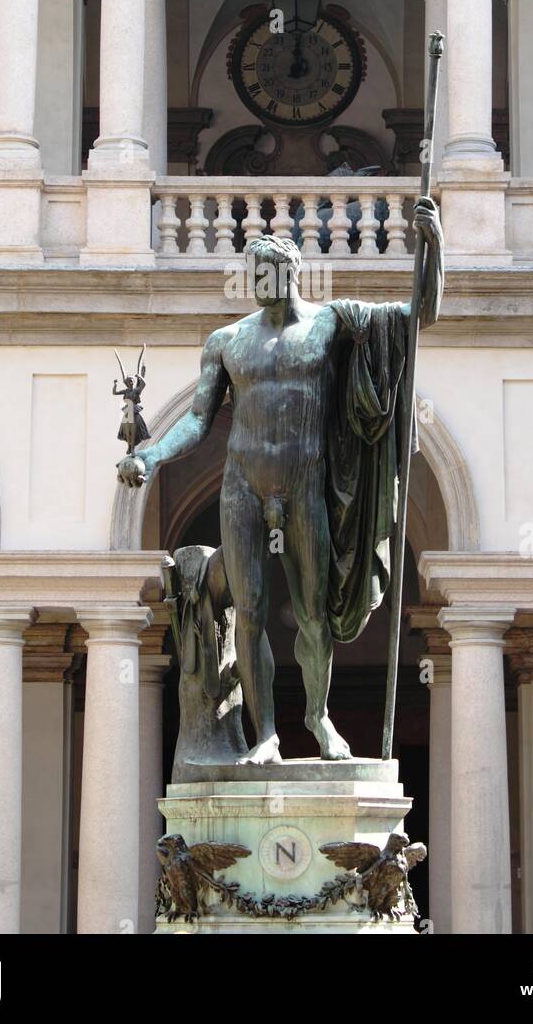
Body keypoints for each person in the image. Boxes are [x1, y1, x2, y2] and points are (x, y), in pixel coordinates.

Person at [119, 198, 443, 764]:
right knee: (250, 609)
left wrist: (432, 245)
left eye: (271, 274)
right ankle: (266, 731)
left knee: (313, 613)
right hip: (242, 484)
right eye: (254, 275)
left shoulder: (331, 322)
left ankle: (317, 718)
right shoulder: (226, 341)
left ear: (292, 273)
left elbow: (419, 315)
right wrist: (150, 456)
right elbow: (197, 419)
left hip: (305, 483)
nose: (262, 284)